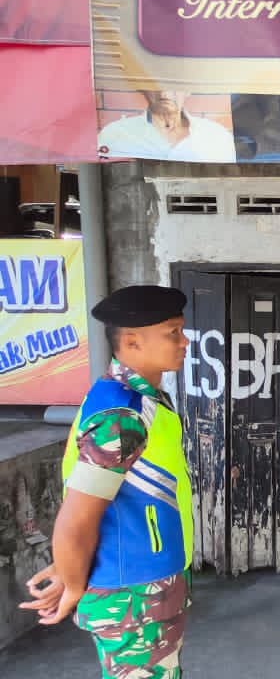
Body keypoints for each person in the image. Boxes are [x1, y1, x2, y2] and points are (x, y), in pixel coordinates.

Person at [19, 285, 194, 677]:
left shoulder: (138, 399)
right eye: (173, 333)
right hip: (133, 595)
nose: (184, 342)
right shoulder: (121, 416)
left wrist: (69, 569)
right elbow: (77, 518)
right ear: (131, 342)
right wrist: (73, 583)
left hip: (147, 587)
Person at [97, 89, 236, 162]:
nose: (164, 93)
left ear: (188, 89)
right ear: (143, 89)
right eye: (155, 84)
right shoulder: (113, 134)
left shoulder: (218, 136)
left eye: (172, 84)